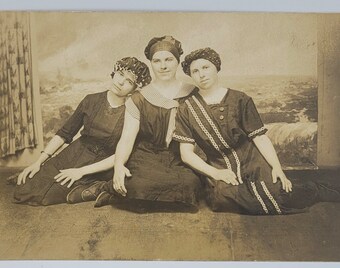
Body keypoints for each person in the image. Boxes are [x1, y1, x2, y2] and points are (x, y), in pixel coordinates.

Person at [173, 47, 340, 215]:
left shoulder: (240, 99)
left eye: (205, 67)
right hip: (219, 164)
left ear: (216, 68)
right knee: (220, 199)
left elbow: (259, 138)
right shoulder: (187, 108)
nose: (201, 74)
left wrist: (276, 167)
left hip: (252, 160)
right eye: (195, 71)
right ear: (191, 75)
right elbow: (186, 154)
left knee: (279, 193)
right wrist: (215, 173)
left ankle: (315, 190)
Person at [13, 57, 151, 206]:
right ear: (114, 73)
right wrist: (39, 162)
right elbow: (64, 133)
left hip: (103, 164)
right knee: (25, 190)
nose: (121, 82)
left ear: (134, 89)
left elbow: (121, 155)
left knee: (45, 197)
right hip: (74, 152)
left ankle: (98, 186)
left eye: (129, 81)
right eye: (120, 74)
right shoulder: (90, 100)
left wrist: (81, 171)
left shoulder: (132, 112)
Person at [93, 36, 202, 212]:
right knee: (138, 185)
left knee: (190, 186)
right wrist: (119, 166)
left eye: (168, 60)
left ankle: (127, 197)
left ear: (177, 61)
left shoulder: (192, 93)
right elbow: (127, 138)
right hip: (146, 155)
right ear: (151, 63)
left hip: (180, 156)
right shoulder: (139, 98)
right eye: (157, 61)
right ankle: (109, 189)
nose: (163, 66)